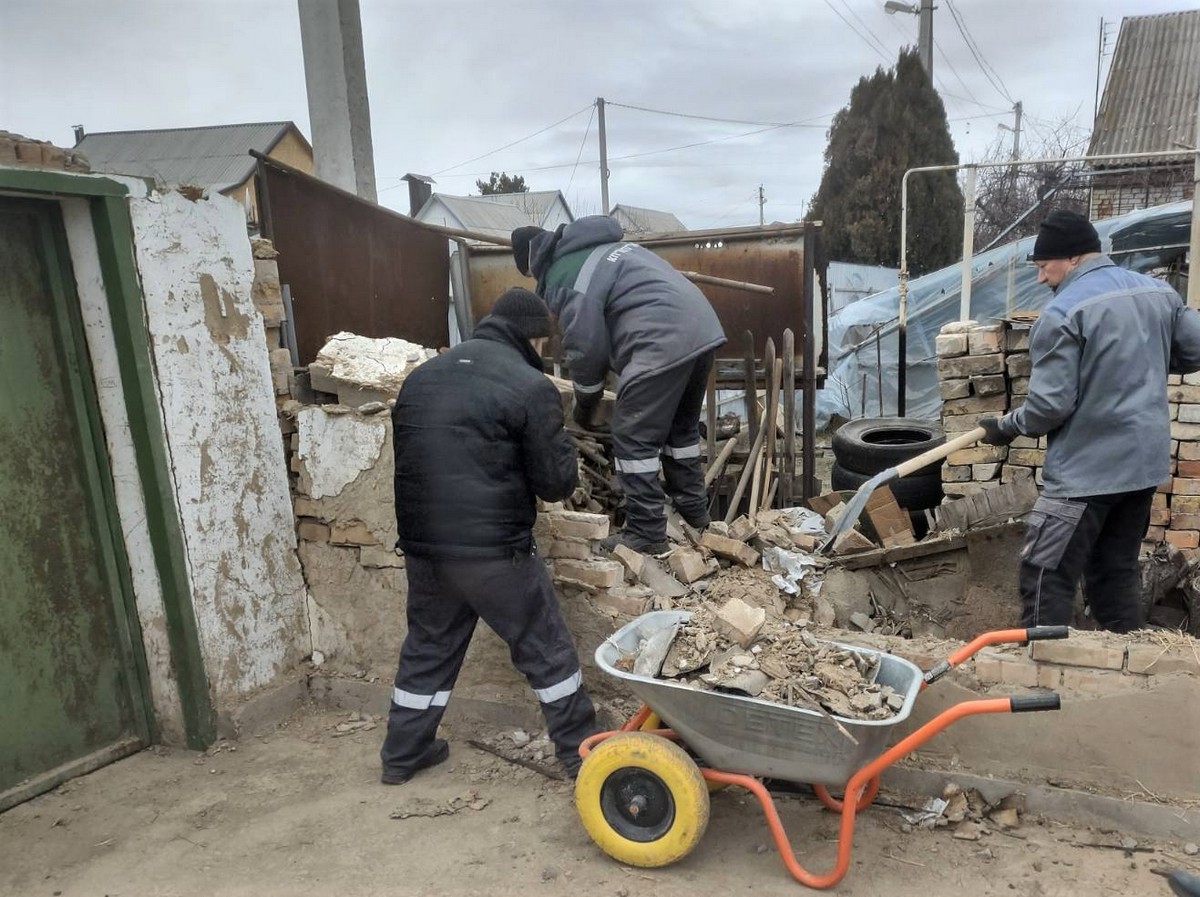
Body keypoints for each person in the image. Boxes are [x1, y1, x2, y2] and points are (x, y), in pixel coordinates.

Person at [380, 287, 597, 784]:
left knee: (429, 647)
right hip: (494, 553)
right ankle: (580, 756)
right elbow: (555, 484)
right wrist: (563, 447)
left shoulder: (422, 378)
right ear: (536, 340)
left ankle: (402, 754)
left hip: (425, 548)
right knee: (546, 651)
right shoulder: (530, 384)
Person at [978, 209, 1200, 632]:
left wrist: (1005, 427)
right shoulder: (1160, 293)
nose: (1041, 278)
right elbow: (1194, 349)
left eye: (1044, 267)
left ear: (1074, 258)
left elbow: (1048, 409)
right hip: (1141, 468)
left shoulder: (1063, 313)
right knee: (1112, 573)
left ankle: (1046, 673)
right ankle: (1120, 674)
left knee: (1044, 572)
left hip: (1085, 473)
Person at [511, 216, 727, 555]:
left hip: (660, 337)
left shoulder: (563, 273)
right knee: (680, 433)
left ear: (531, 262)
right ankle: (695, 515)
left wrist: (585, 402)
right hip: (700, 327)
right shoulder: (602, 248)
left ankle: (646, 531)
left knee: (632, 437)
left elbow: (585, 346)